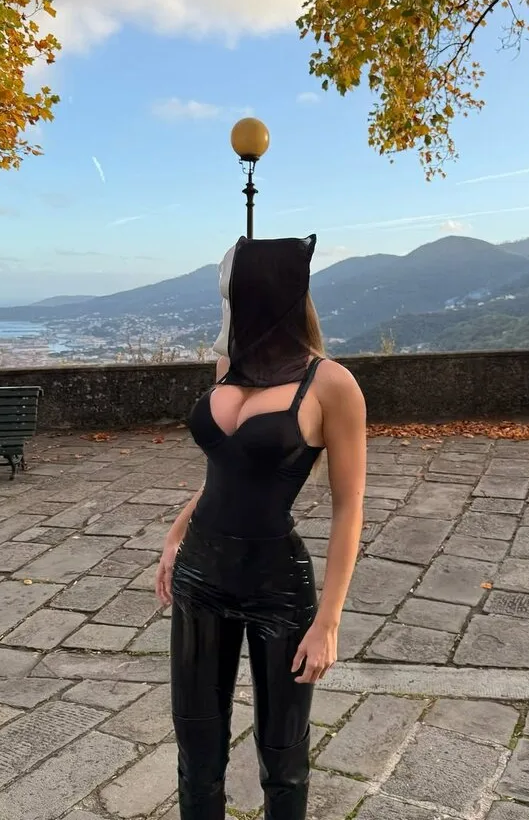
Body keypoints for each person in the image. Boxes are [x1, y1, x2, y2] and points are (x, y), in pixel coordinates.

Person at [155, 233, 366, 820]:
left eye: (234, 290)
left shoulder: (331, 384)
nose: (227, 303)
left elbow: (349, 507)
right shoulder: (227, 367)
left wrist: (328, 622)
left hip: (279, 587)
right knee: (196, 751)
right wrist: (175, 537)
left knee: (283, 758)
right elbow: (223, 474)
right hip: (200, 577)